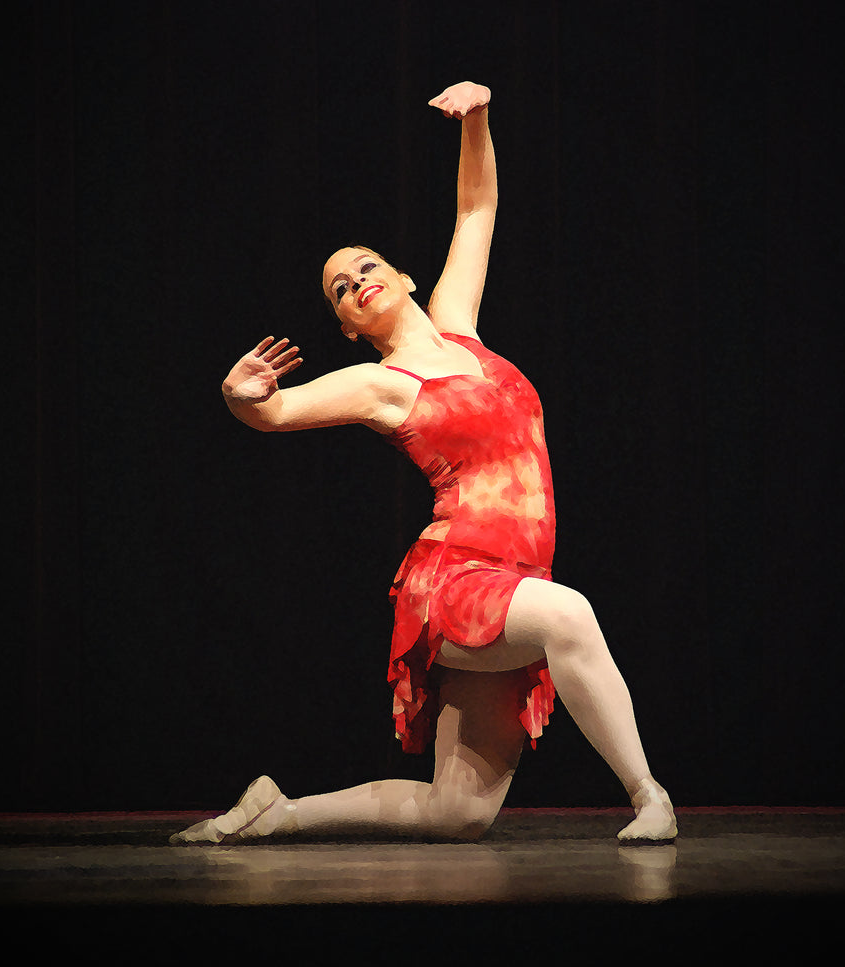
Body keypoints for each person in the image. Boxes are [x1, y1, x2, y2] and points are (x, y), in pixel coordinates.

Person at [171, 80, 676, 845]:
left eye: (366, 265)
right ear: (346, 324)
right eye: (341, 289)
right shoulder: (380, 384)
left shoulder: (459, 327)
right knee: (571, 614)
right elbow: (274, 412)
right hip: (460, 580)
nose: (357, 281)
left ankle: (279, 811)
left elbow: (476, 210)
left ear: (402, 277)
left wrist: (477, 120)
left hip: (517, 580)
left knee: (458, 812)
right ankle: (650, 797)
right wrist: (241, 396)